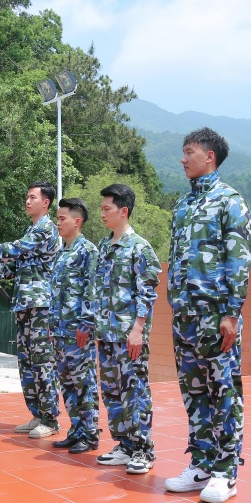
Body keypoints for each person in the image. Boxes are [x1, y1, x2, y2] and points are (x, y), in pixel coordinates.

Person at [164, 128, 251, 503]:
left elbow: (240, 260)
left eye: (189, 152)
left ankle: (225, 472)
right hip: (184, 317)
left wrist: (231, 313)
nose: (183, 159)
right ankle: (201, 464)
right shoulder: (183, 206)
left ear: (209, 156)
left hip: (216, 316)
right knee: (195, 394)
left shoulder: (229, 202)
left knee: (224, 393)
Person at [0, 181, 62, 438]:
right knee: (27, 363)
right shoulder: (32, 231)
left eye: (32, 197)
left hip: (41, 306)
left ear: (46, 203)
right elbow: (15, 268)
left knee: (42, 363)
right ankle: (37, 414)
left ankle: (50, 420)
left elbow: (15, 249)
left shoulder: (46, 230)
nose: (27, 201)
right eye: (27, 197)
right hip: (24, 305)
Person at [89, 183, 162, 474]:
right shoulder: (105, 246)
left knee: (135, 392)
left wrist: (138, 330)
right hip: (106, 333)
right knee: (111, 392)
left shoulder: (139, 247)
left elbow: (147, 291)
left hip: (128, 334)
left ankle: (143, 450)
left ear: (124, 211)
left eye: (107, 208)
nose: (102, 213)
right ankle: (124, 445)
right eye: (102, 208)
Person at [49, 197, 101, 454]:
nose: (58, 223)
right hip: (59, 330)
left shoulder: (88, 251)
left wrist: (86, 322)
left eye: (62, 218)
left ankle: (90, 434)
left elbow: (92, 290)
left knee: (84, 382)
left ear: (77, 221)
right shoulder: (62, 253)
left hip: (77, 331)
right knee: (67, 383)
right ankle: (76, 430)